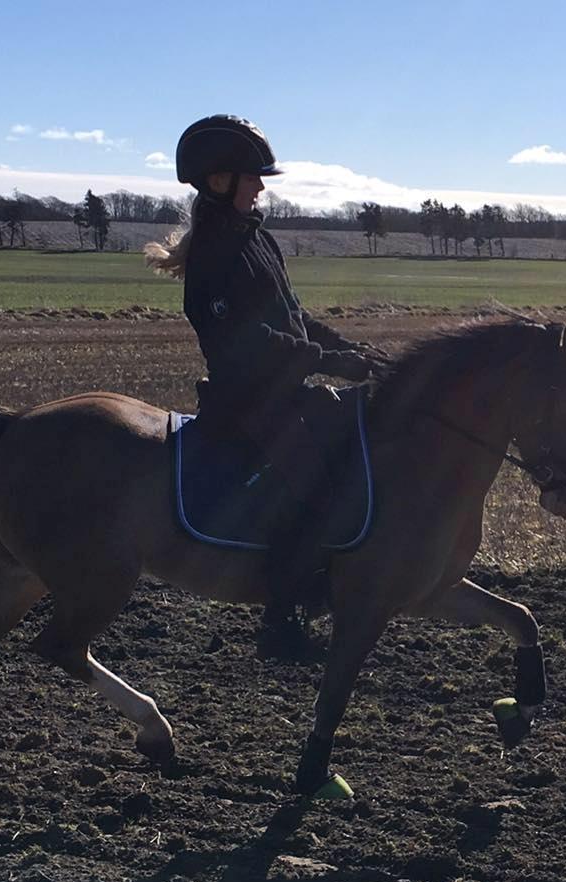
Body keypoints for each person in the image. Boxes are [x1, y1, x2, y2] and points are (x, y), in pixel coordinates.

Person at [145, 115, 389, 640]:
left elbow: (295, 317)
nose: (260, 186)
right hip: (246, 400)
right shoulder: (215, 252)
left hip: (284, 390)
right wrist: (326, 359)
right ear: (218, 180)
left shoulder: (258, 239)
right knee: (310, 487)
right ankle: (282, 616)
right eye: (252, 177)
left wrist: (352, 350)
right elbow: (249, 342)